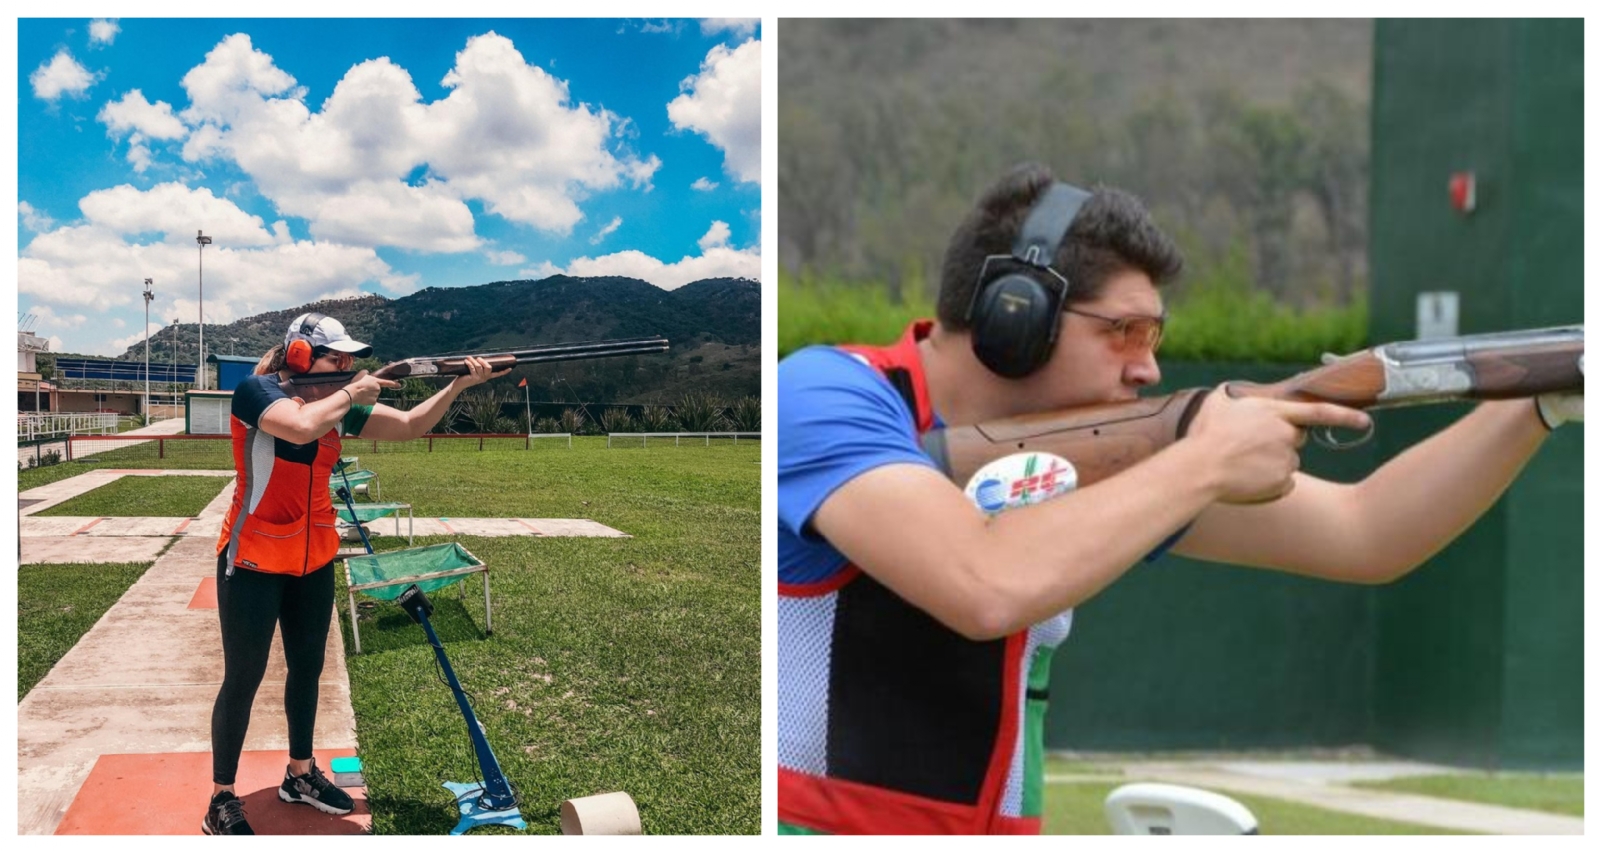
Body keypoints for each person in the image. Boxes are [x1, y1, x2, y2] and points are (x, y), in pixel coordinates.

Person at [775, 163, 1581, 835]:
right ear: (1013, 315)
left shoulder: (1110, 454)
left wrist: (1534, 404)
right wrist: (1202, 462)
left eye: (1154, 338)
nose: (1148, 369)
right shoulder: (827, 394)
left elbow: (1366, 531)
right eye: (1123, 332)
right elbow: (982, 583)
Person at [203, 312, 507, 835]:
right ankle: (221, 798)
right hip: (252, 558)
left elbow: (410, 427)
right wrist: (355, 391)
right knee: (244, 678)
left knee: (307, 669)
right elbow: (298, 425)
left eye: (351, 361)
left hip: (314, 557)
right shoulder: (255, 393)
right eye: (335, 359)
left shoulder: (337, 405)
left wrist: (458, 383)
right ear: (299, 356)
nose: (346, 368)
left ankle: (299, 775)